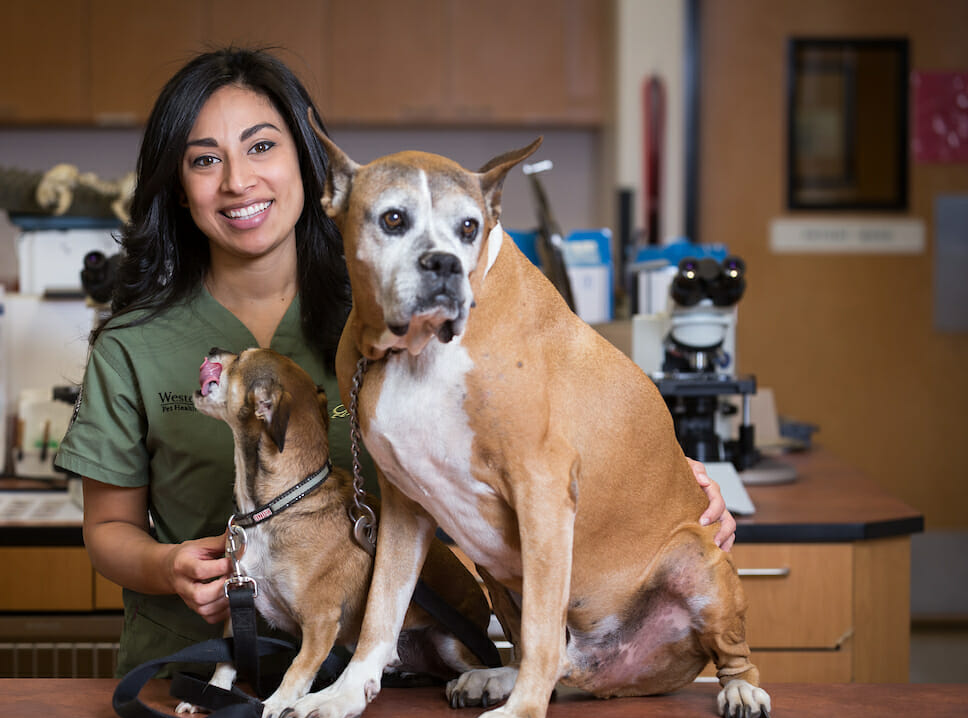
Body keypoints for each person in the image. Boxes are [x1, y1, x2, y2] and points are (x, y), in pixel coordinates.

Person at [54, 47, 736, 678]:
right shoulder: (133, 344)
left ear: (308, 168)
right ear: (177, 185)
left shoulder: (394, 324)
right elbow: (107, 530)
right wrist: (165, 565)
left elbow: (526, 440)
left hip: (385, 680)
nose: (238, 181)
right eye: (205, 160)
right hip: (200, 676)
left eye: (262, 147)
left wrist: (655, 490)